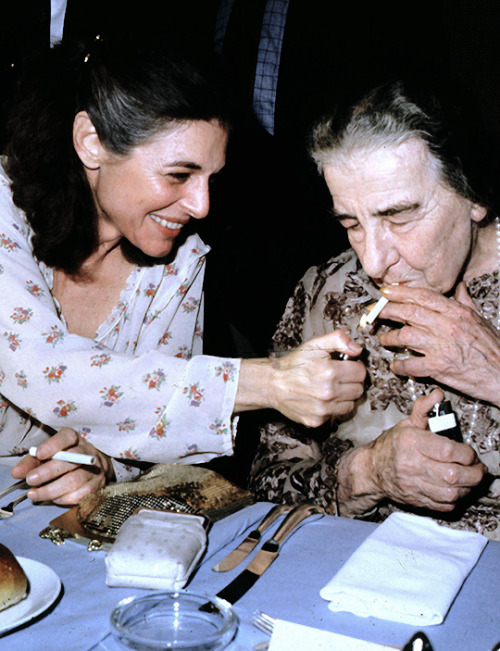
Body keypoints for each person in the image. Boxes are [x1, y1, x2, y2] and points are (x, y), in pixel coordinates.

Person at [0, 34, 362, 506]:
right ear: (92, 143)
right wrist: (270, 382)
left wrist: (100, 464)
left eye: (211, 178)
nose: (201, 205)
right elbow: (40, 370)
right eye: (178, 175)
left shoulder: (179, 260)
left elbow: (156, 440)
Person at [248, 79, 500, 540]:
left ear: (475, 195)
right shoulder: (328, 291)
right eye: (351, 223)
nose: (373, 260)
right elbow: (266, 483)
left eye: (398, 216)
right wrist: (369, 474)